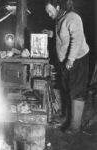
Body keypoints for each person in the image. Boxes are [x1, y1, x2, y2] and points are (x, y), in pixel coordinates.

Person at [44, 0, 89, 134]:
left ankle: (75, 126)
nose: (49, 14)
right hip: (66, 61)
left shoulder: (73, 18)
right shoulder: (60, 18)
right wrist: (51, 34)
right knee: (67, 88)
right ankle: (67, 117)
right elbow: (63, 37)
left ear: (58, 7)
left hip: (77, 59)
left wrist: (70, 59)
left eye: (50, 11)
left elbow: (77, 39)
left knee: (76, 90)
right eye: (47, 12)